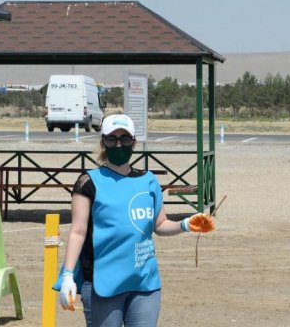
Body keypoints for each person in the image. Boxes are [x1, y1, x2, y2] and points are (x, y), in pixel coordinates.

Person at [53, 114, 216, 327]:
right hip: (102, 282)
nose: (119, 144)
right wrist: (67, 276)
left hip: (144, 282)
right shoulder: (88, 182)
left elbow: (159, 225)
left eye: (125, 139)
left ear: (134, 142)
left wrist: (186, 224)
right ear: (103, 143)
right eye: (112, 139)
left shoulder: (148, 181)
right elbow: (78, 231)